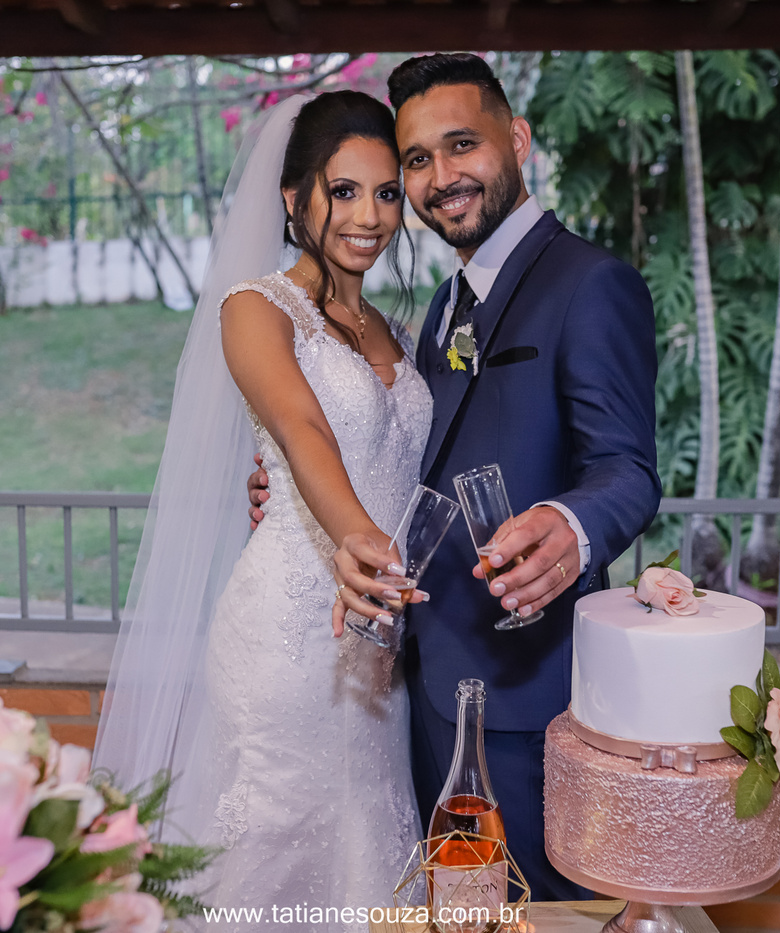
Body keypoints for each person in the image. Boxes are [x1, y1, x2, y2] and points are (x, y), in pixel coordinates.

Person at [248, 54, 661, 900]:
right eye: (418, 160)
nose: (441, 178)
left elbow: (626, 466)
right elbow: (409, 450)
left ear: (518, 138)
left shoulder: (591, 283)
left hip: (526, 697)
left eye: (462, 144)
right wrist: (290, 493)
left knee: (541, 913)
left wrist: (572, 525)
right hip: (411, 689)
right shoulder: (443, 307)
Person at [94, 91, 430, 931]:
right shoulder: (256, 307)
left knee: (369, 850)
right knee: (270, 859)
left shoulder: (396, 332)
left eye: (387, 193)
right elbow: (301, 425)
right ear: (292, 197)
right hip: (289, 636)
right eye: (343, 191)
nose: (369, 216)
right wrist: (356, 534)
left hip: (379, 648)